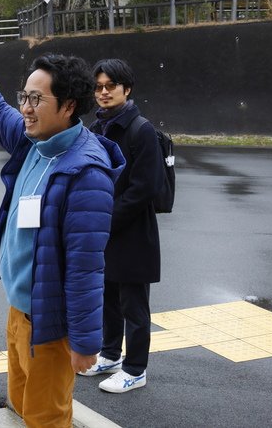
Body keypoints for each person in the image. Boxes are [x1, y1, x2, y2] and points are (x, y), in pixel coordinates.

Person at [0, 20, 125, 426]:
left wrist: (84, 341)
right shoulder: (34, 141)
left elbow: (85, 266)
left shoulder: (87, 174)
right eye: (24, 96)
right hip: (19, 311)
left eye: (36, 99)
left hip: (51, 326)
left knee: (46, 417)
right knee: (21, 403)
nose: (25, 108)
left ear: (68, 106)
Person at [78, 58, 164, 393]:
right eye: (98, 87)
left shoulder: (142, 130)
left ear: (126, 89)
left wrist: (107, 218)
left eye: (110, 86)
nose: (103, 92)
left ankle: (135, 369)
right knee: (108, 298)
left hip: (133, 231)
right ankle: (111, 355)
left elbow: (145, 187)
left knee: (134, 305)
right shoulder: (96, 128)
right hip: (105, 230)